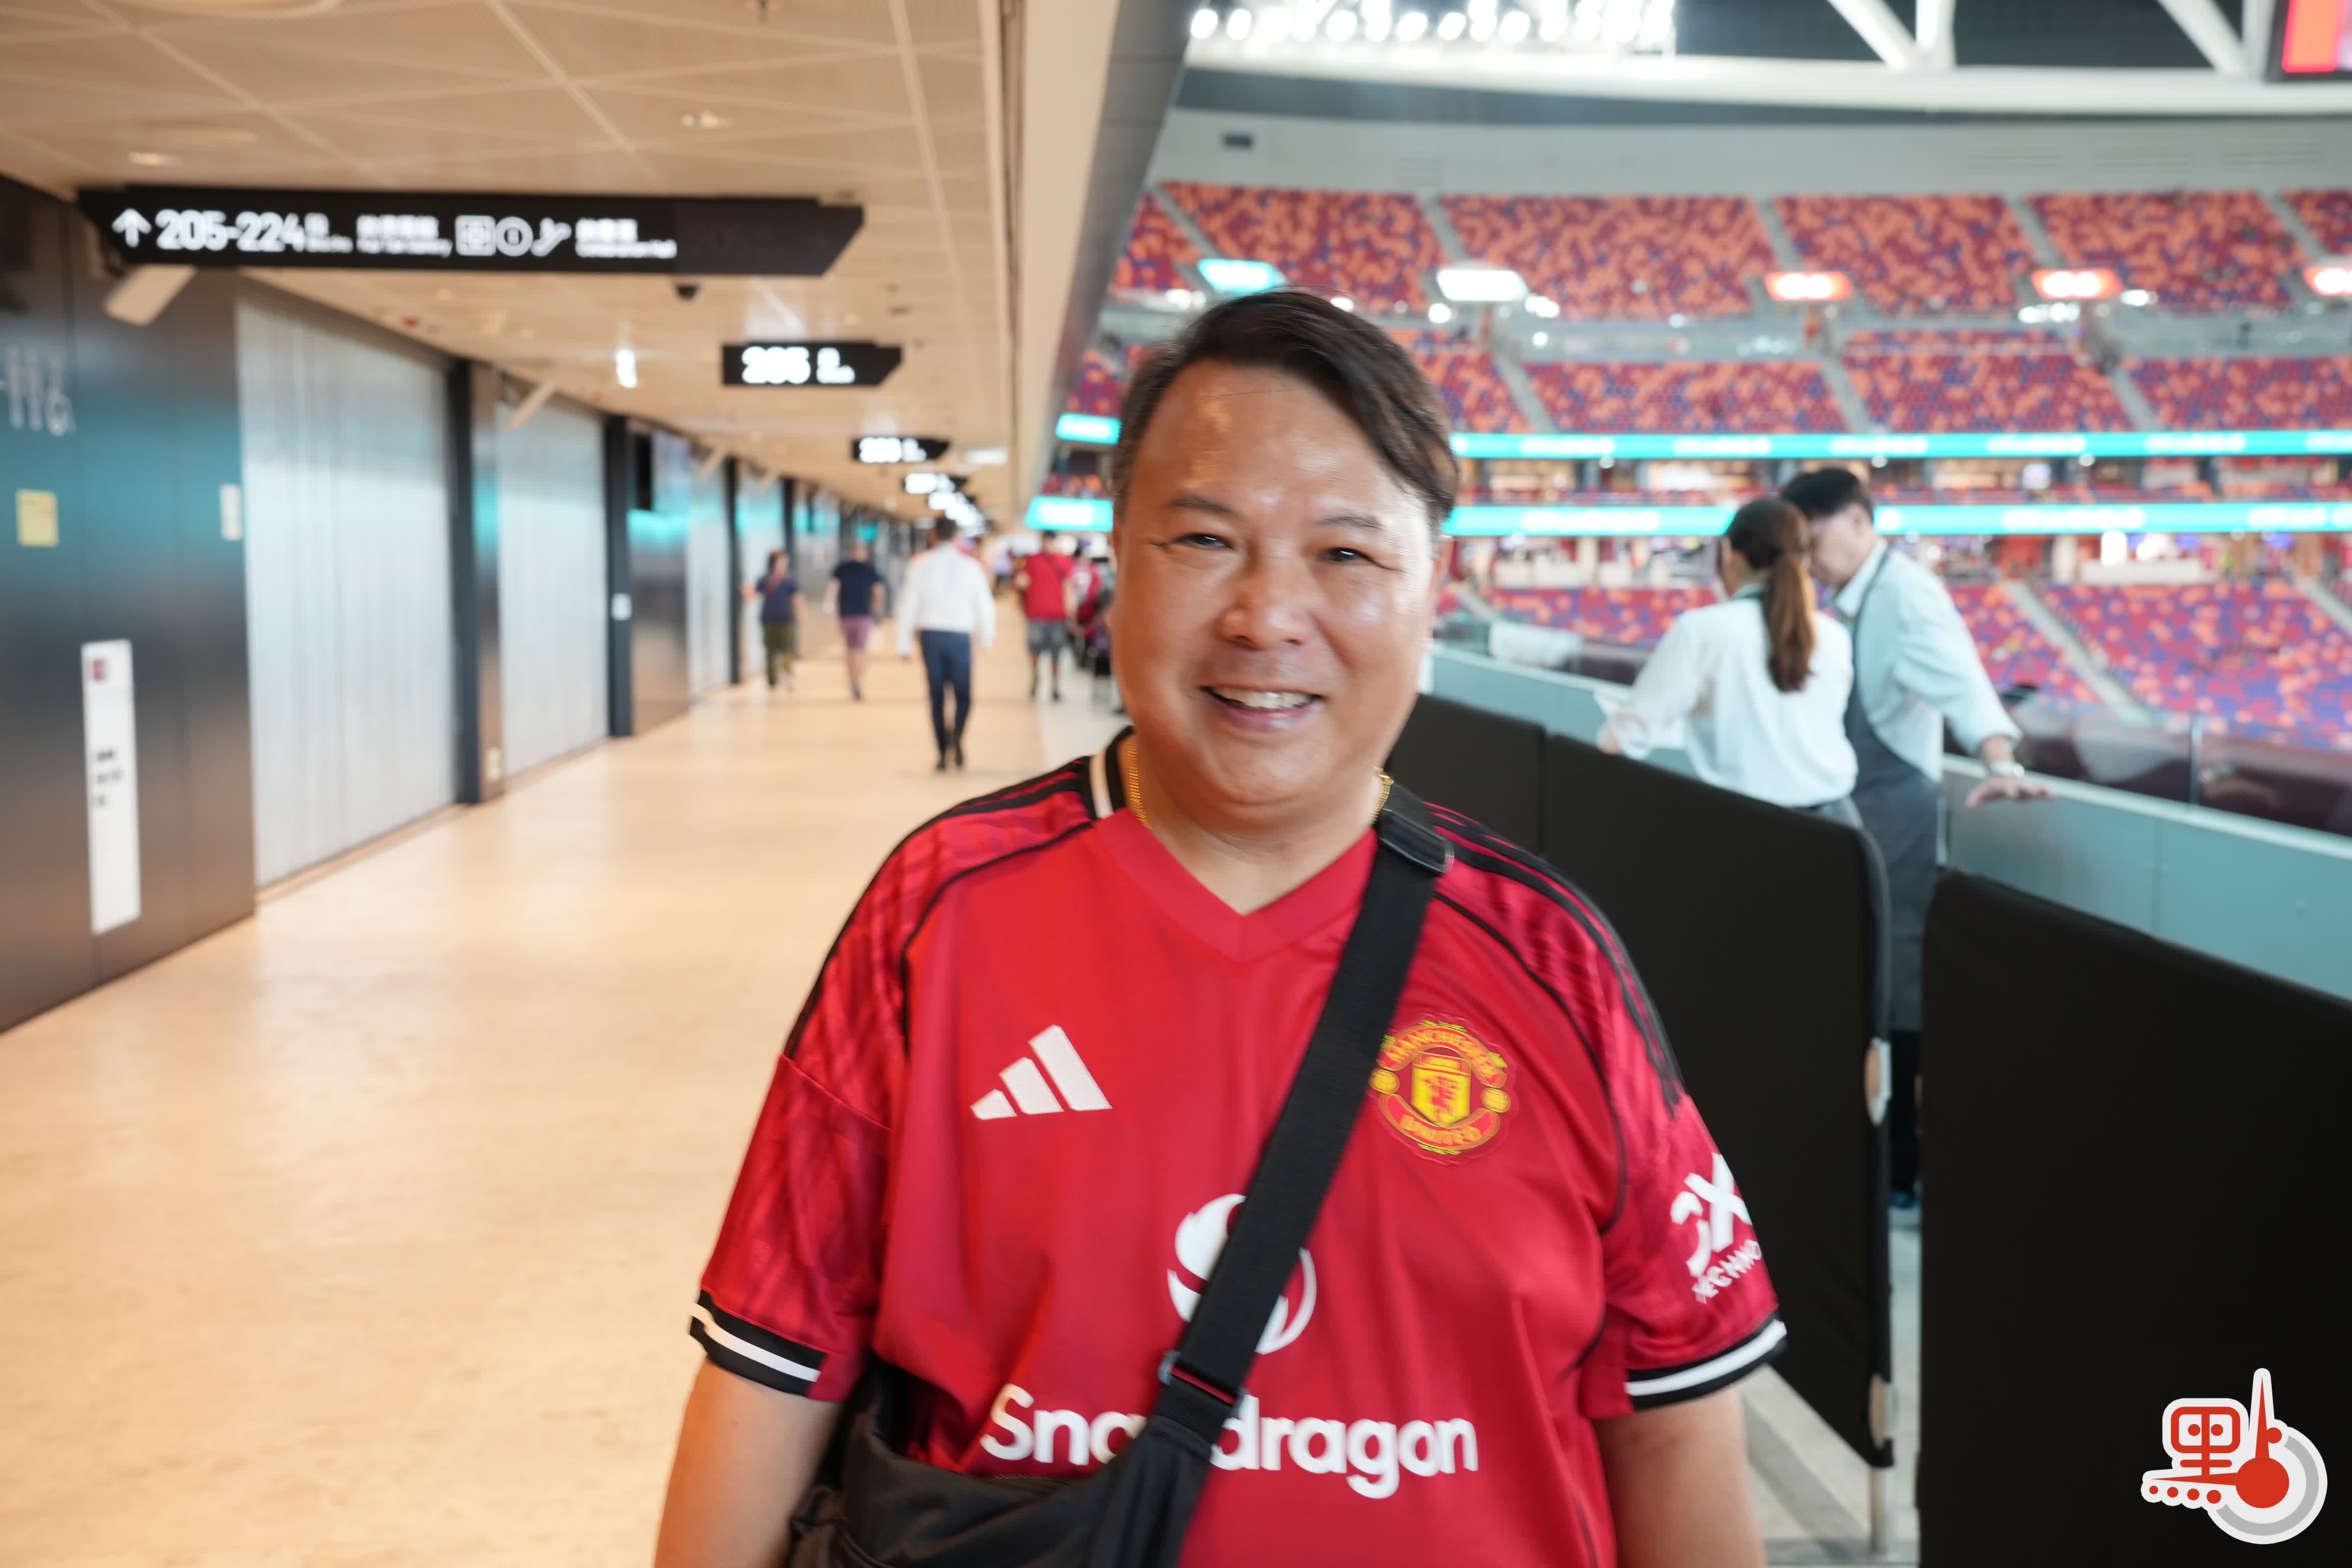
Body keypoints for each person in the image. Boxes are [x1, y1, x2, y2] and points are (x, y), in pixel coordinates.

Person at [656, 291, 1778, 1568]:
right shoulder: (940, 914)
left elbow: (1674, 1420)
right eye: (1204, 539)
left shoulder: (1551, 959)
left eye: (1345, 554)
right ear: (1116, 563)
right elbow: (770, 1364)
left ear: (1435, 587)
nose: (1266, 616)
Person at [1781, 469, 2051, 1212]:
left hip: (1897, 815)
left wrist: (2000, 761)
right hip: (1861, 809)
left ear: (1858, 521)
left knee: (1898, 992)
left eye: (1813, 537)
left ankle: (1901, 1167)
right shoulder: (1848, 600)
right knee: (1868, 984)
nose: (1807, 555)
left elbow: (1964, 684)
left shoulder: (1904, 594)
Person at [1598, 497, 1857, 819]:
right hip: (1838, 825)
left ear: (1730, 558)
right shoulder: (1835, 636)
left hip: (1744, 827)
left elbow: (1621, 740)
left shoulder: (1701, 632)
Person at [895, 518, 996, 770]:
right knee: (964, 695)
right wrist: (986, 637)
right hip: (960, 637)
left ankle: (942, 751)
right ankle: (957, 737)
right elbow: (984, 604)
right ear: (956, 537)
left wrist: (903, 644)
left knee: (937, 696)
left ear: (933, 535)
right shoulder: (971, 566)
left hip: (931, 637)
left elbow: (908, 605)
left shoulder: (920, 565)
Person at [1014, 535, 1080, 701]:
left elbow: (1021, 583)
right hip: (1054, 614)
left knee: (1037, 650)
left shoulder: (1032, 560)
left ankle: (1039, 678)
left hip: (1039, 614)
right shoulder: (1062, 560)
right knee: (1055, 652)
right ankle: (1053, 686)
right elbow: (1069, 587)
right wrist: (1072, 613)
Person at [826, 540, 885, 702]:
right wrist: (876, 610)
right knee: (860, 649)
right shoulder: (870, 569)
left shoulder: (841, 568)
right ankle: (857, 679)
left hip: (847, 615)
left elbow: (832, 589)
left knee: (850, 649)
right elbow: (878, 591)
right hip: (863, 615)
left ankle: (853, 679)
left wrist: (829, 608)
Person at [744, 549, 799, 694]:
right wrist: (747, 591)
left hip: (783, 619)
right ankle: (774, 680)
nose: (786, 563)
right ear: (775, 562)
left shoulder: (787, 579)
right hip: (771, 619)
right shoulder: (770, 579)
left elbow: (796, 599)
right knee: (773, 650)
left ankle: (784, 676)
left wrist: (798, 617)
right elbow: (753, 595)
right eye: (783, 560)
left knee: (783, 649)